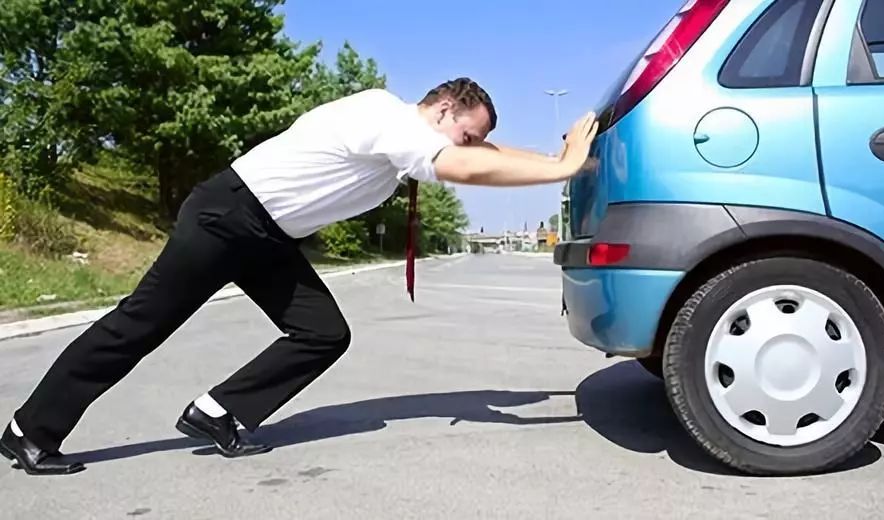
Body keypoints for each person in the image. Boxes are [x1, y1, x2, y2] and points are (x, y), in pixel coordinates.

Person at [0, 77, 599, 476]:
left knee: (322, 332)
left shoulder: (409, 135)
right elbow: (465, 165)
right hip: (225, 217)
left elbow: (482, 154)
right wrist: (560, 169)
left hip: (267, 236)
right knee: (139, 325)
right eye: (467, 132)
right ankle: (30, 430)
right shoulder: (386, 117)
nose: (472, 144)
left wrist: (559, 160)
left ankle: (217, 411)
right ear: (443, 108)